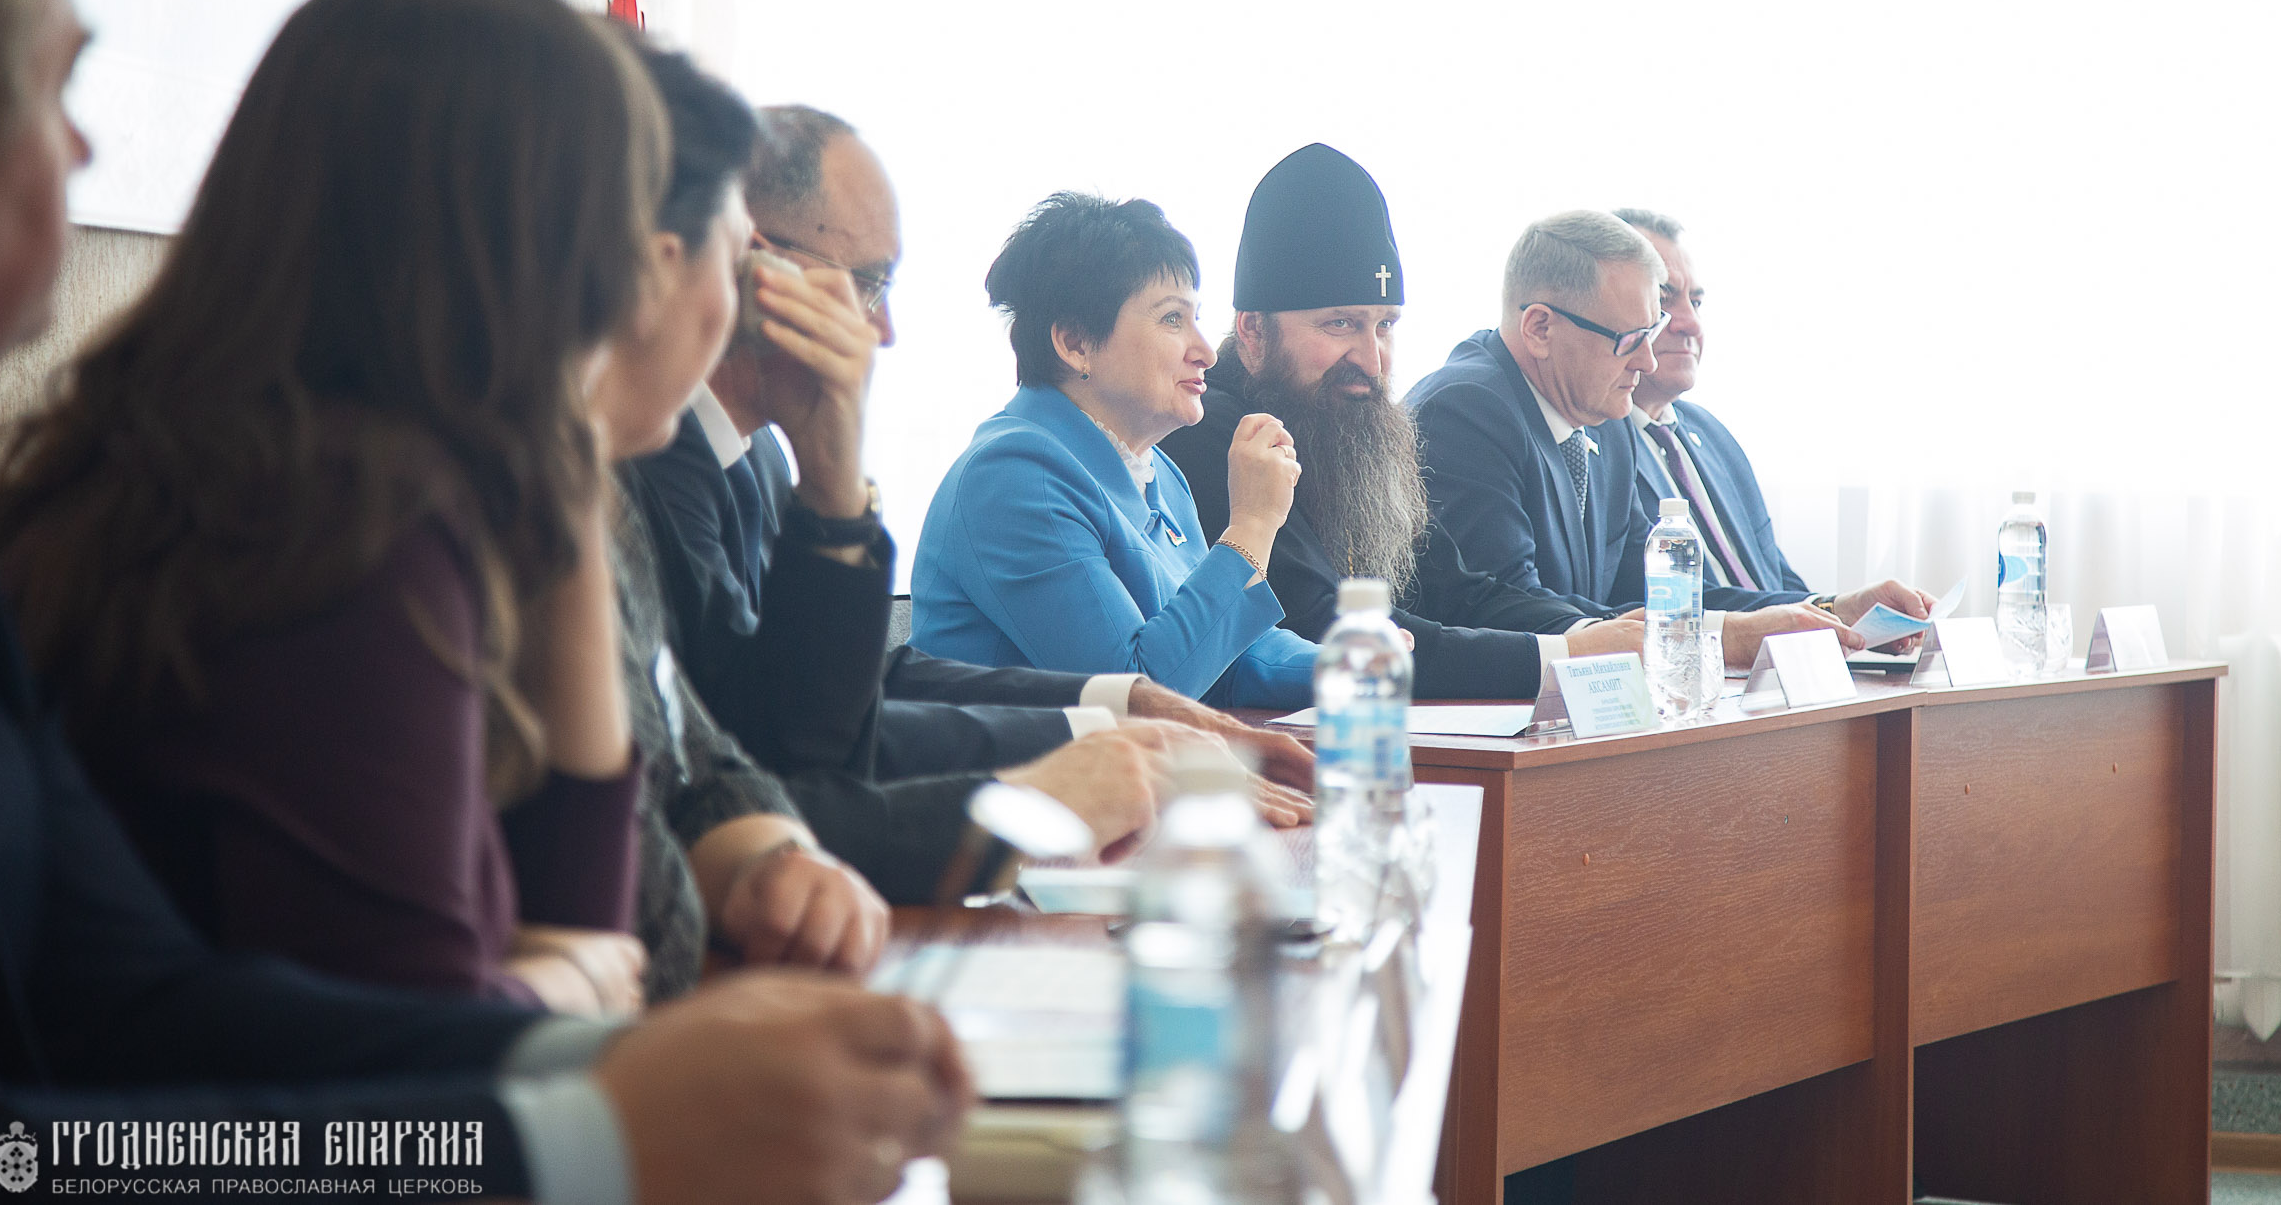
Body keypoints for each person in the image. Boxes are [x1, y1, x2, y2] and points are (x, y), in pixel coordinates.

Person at [0, 0, 963, 1205]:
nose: (83, 148)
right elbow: (89, 1130)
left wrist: (563, 1043)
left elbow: (138, 1005)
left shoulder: (403, 491)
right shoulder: (333, 528)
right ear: (517, 245)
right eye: (624, 228)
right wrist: (576, 1092)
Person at [624, 108, 1311, 900]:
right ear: (746, 259)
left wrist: (1132, 708)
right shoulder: (1014, 471)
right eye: (867, 284)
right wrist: (1248, 532)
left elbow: (848, 694)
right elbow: (774, 749)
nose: (883, 331)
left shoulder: (760, 456)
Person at [591, 45, 891, 1000]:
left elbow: (700, 761)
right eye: (730, 253)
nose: (880, 330)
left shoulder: (581, 496)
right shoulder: (601, 481)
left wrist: (766, 857)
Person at [1160, 144, 1650, 693]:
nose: (1372, 362)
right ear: (1253, 331)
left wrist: (1595, 633)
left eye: (1385, 326)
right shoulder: (1216, 434)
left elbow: (1458, 592)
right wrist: (1564, 656)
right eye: (1341, 324)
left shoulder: (1355, 428)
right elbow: (1324, 627)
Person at [912, 192, 1321, 707]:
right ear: (1076, 344)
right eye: (1172, 319)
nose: (1206, 352)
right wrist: (1252, 527)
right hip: (1028, 762)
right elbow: (1134, 692)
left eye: (1196, 317)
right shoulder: (1011, 477)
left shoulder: (1158, 473)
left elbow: (1222, 657)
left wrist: (1352, 665)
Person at [1407, 211, 1861, 667]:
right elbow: (1505, 607)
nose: (1647, 362)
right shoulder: (1464, 411)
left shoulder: (1608, 420)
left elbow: (1655, 592)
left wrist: (1828, 612)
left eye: (1652, 332)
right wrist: (1722, 638)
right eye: (1629, 339)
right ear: (1540, 328)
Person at [1612, 209, 1935, 636]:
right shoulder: (1597, 447)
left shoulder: (1710, 434)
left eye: (1697, 302)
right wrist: (1831, 612)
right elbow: (1659, 602)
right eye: (1663, 300)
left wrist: (1849, 622)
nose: (1690, 322)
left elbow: (1776, 580)